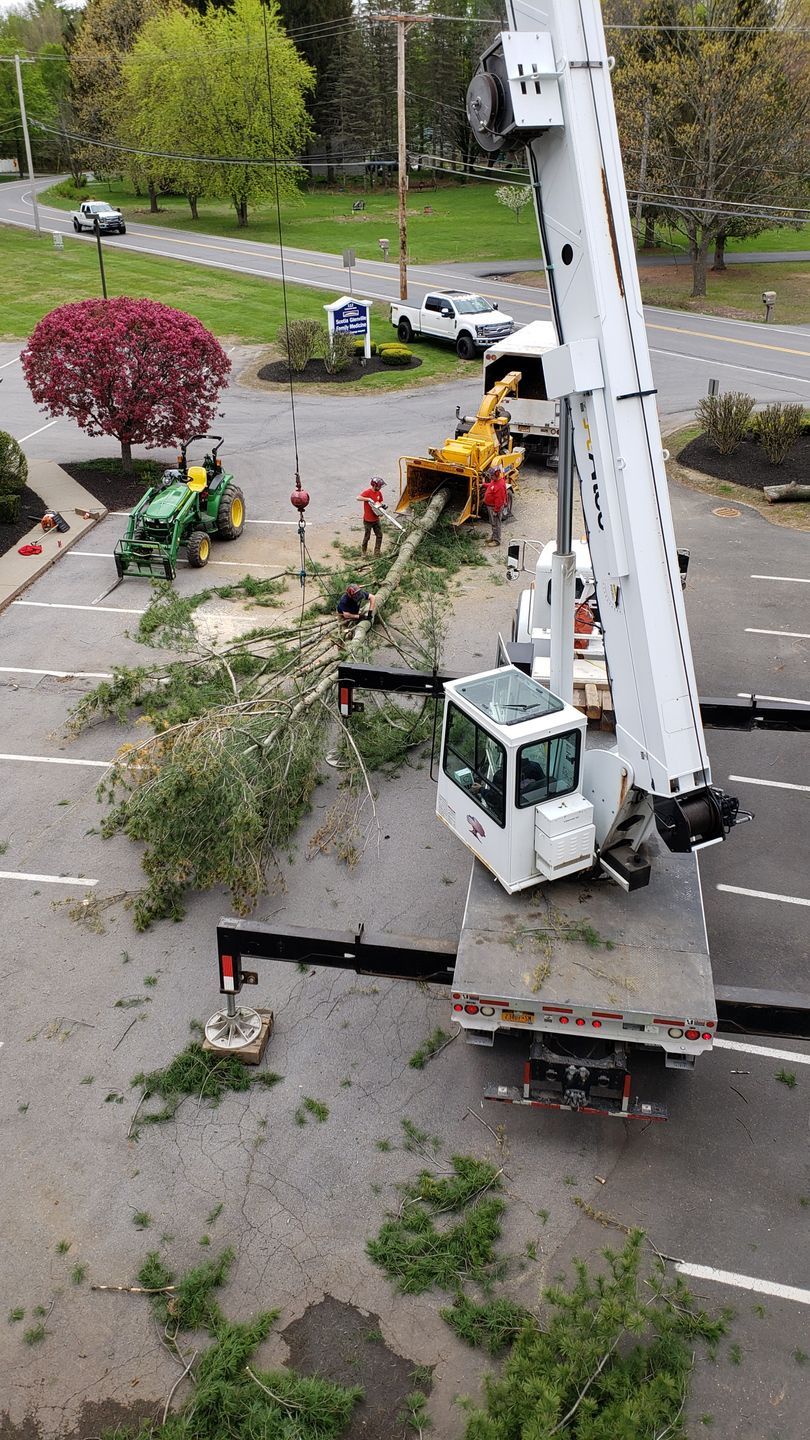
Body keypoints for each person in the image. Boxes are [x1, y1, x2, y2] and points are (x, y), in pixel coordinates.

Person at [356, 476, 387, 556]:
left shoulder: (379, 493)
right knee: (367, 536)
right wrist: (368, 499)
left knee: (379, 535)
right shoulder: (368, 492)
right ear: (374, 485)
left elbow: (379, 502)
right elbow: (358, 498)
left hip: (376, 519)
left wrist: (382, 506)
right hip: (368, 520)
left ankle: (377, 552)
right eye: (378, 486)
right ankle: (364, 551)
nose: (380, 488)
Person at [482, 466, 508, 546]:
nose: (490, 477)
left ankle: (497, 540)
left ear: (495, 475)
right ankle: (493, 537)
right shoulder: (495, 481)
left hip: (495, 508)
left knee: (496, 523)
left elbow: (499, 501)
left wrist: (496, 511)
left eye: (491, 475)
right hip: (491, 506)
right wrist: (484, 484)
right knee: (493, 523)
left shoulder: (500, 485)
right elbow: (491, 486)